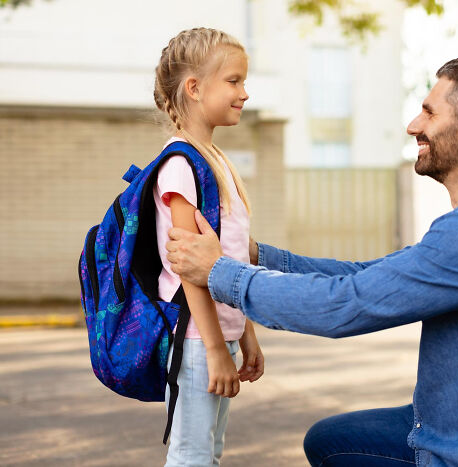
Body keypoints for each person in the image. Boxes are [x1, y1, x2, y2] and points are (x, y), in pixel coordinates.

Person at [165, 57, 458, 466]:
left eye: (428, 113)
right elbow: (369, 276)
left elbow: (347, 304)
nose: (413, 126)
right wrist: (260, 257)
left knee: (333, 446)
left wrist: (221, 273)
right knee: (331, 439)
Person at [152, 27, 264, 467]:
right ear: (195, 88)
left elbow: (229, 260)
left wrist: (245, 333)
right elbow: (188, 267)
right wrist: (217, 348)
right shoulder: (181, 164)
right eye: (234, 81)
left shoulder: (214, 160)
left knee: (210, 454)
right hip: (198, 341)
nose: (245, 92)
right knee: (193, 457)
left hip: (221, 335)